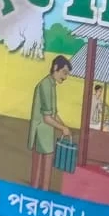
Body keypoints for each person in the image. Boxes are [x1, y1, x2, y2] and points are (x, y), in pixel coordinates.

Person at [27, 55, 73, 192]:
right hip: (41, 130)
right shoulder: (46, 85)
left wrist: (65, 126)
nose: (65, 77)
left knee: (43, 164)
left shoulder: (51, 85)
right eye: (64, 72)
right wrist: (62, 128)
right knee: (43, 164)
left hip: (47, 131)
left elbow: (54, 113)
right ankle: (39, 192)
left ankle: (38, 191)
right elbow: (47, 117)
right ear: (55, 68)